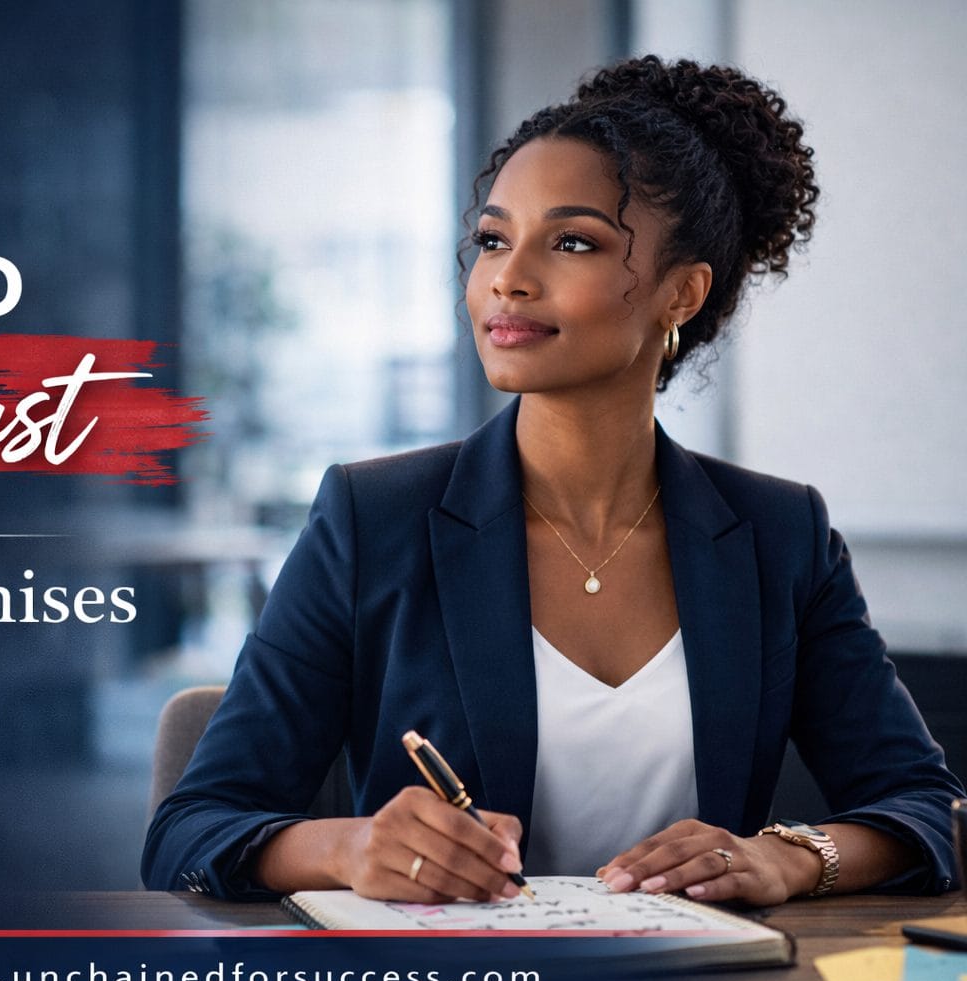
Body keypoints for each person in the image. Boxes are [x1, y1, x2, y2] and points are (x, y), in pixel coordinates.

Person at [142, 55, 964, 906]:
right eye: (494, 239)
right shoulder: (371, 517)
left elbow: (929, 810)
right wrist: (350, 848)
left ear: (681, 294)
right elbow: (191, 829)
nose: (509, 276)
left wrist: (789, 857)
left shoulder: (779, 535)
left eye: (572, 242)